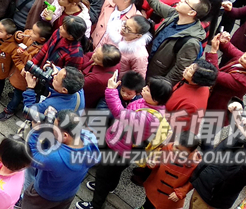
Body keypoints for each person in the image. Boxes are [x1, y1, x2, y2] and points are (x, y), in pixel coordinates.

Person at [76, 74, 173, 209]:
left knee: (102, 175)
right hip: (126, 147)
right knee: (115, 171)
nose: (144, 88)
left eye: (148, 89)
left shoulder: (148, 116)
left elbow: (120, 114)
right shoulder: (149, 105)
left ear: (156, 99)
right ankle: (110, 187)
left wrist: (111, 90)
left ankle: (96, 204)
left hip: (120, 149)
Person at [137, 0, 209, 85]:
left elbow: (179, 71)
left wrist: (158, 87)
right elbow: (156, 5)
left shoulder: (191, 42)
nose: (181, 0)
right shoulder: (175, 15)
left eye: (186, 2)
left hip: (154, 77)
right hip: (145, 62)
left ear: (191, 13)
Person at [23, 110, 101, 209]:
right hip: (69, 193)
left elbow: (30, 156)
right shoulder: (90, 140)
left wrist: (36, 130)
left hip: (44, 197)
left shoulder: (55, 158)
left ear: (65, 135)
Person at [80, 43, 122, 108]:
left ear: (104, 64)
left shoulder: (97, 79)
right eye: (96, 52)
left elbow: (78, 84)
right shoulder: (114, 62)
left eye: (97, 58)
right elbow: (89, 55)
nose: (93, 55)